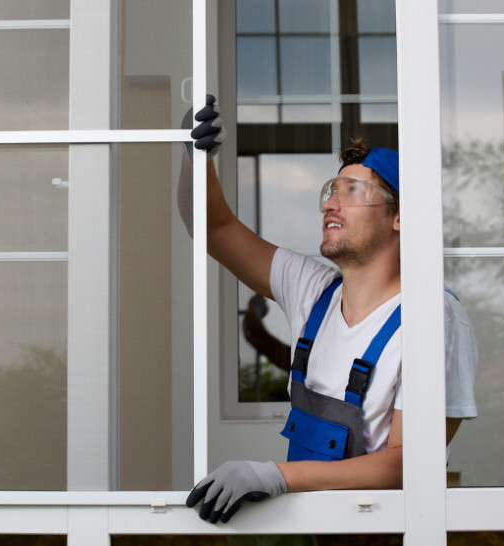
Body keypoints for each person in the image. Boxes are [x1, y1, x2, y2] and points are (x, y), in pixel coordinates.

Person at [179, 95, 478, 524]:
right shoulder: (313, 290)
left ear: (401, 216)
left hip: (381, 533)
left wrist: (275, 475)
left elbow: (408, 465)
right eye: (330, 191)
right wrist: (196, 157)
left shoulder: (434, 318)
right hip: (312, 527)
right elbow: (213, 228)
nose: (329, 204)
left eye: (352, 191)